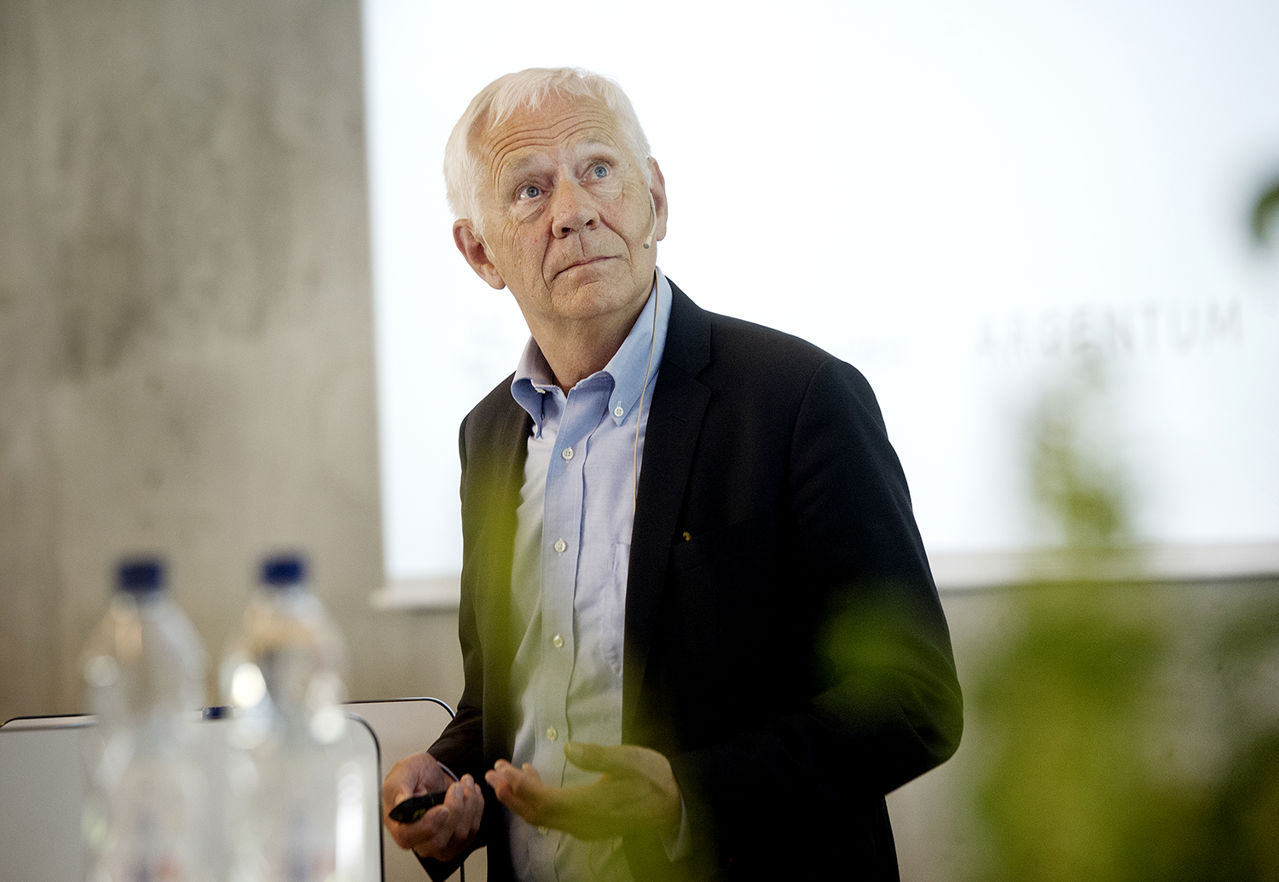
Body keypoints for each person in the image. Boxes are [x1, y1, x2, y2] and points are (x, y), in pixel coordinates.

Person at [382, 67, 963, 881]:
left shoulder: (799, 399)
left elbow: (914, 700)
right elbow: (504, 705)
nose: (575, 211)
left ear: (655, 198)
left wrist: (689, 793)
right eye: (528, 190)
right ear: (478, 251)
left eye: (598, 170)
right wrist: (452, 781)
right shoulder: (487, 434)